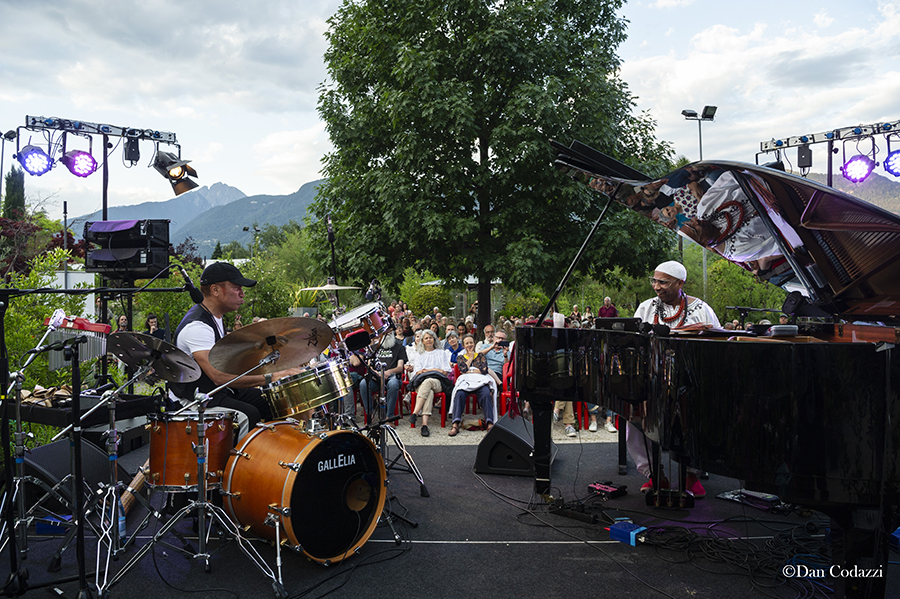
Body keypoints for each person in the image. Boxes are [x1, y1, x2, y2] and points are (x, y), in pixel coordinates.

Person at [168, 262, 302, 437]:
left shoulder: (216, 318)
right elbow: (217, 376)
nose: (242, 294)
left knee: (273, 402)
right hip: (194, 399)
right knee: (249, 414)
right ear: (215, 290)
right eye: (236, 288)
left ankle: (271, 458)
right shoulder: (197, 326)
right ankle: (237, 463)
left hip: (214, 392)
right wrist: (271, 377)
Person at [630, 260, 719, 498]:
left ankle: (691, 474)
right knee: (632, 417)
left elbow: (717, 345)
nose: (657, 287)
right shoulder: (646, 308)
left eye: (663, 282)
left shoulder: (701, 309)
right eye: (655, 281)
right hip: (651, 381)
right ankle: (654, 474)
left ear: (680, 283)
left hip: (691, 382)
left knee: (701, 416)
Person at [447, 334, 497, 437]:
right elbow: (463, 370)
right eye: (467, 343)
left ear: (474, 344)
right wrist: (470, 358)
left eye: (471, 342)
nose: (469, 345)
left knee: (486, 393)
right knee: (459, 394)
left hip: (480, 381)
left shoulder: (480, 356)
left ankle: (489, 422)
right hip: (466, 382)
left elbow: (484, 370)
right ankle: (455, 423)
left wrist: (471, 370)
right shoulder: (461, 357)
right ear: (464, 345)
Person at [408, 330, 452, 437]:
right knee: (429, 391)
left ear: (434, 339)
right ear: (422, 341)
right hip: (421, 382)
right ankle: (424, 425)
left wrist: (428, 370)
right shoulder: (419, 354)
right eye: (426, 338)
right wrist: (436, 370)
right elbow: (418, 372)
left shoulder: (441, 353)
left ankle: (415, 413)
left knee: (428, 382)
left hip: (438, 382)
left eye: (430, 337)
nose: (429, 340)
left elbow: (445, 371)